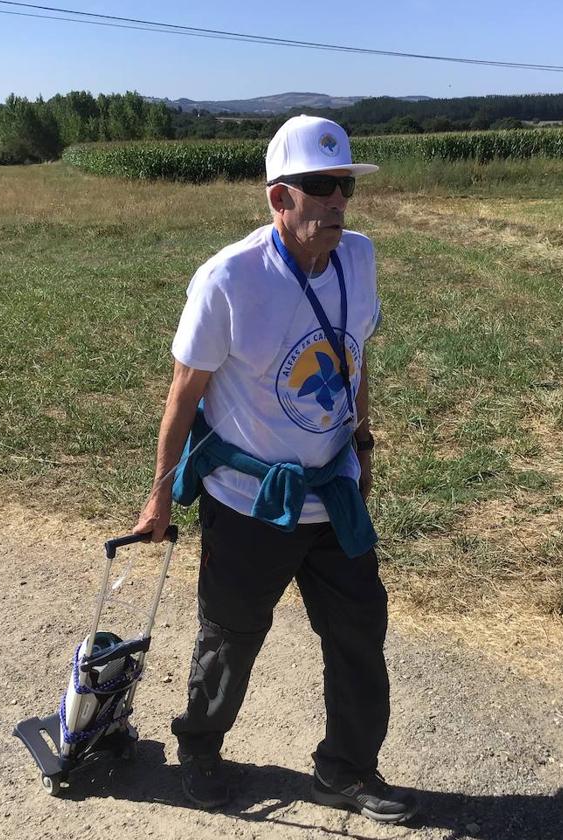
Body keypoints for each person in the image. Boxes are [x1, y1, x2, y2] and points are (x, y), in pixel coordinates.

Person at [133, 115, 416, 824]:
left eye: (343, 186)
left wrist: (365, 444)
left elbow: (356, 357)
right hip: (248, 501)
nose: (336, 203)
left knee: (359, 632)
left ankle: (346, 769)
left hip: (333, 495)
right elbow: (183, 393)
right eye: (318, 188)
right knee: (229, 634)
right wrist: (161, 493)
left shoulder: (359, 258)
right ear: (277, 198)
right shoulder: (229, 279)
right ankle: (199, 748)